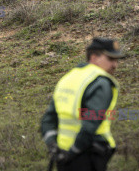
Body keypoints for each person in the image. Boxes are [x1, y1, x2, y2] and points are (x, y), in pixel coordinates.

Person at [40, 37, 125, 171]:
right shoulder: (101, 82)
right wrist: (73, 152)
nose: (115, 65)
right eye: (110, 59)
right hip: (88, 155)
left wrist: (53, 147)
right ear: (93, 57)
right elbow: (91, 123)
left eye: (117, 60)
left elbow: (48, 120)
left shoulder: (68, 78)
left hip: (63, 156)